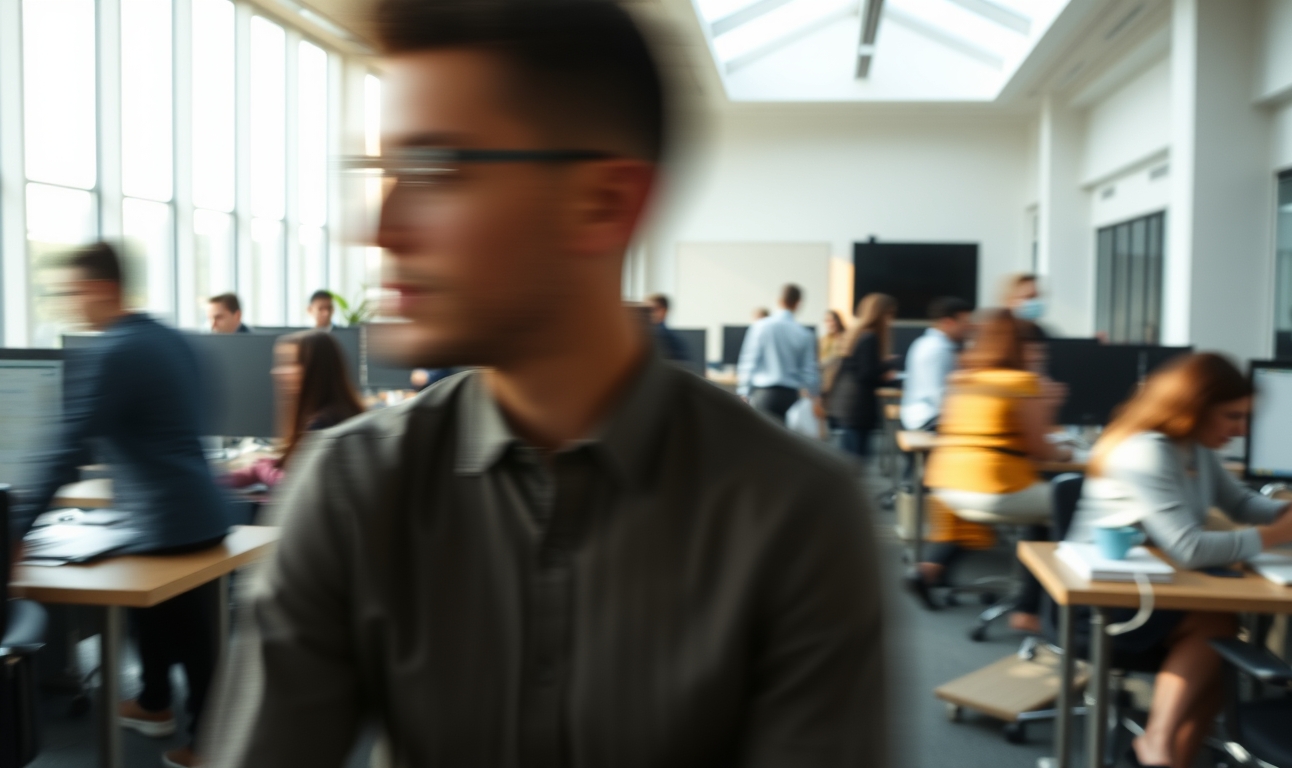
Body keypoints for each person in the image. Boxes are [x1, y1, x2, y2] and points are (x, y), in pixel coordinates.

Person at [202, 2, 885, 766]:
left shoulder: (794, 516)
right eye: (385, 172)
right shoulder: (354, 486)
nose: (382, 227)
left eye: (437, 169)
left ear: (601, 203)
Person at [13, 243, 232, 768]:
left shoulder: (114, 351)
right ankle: (155, 704)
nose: (70, 302)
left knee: (190, 640)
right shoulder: (166, 338)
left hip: (169, 520)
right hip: (192, 510)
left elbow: (68, 445)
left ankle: (209, 746)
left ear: (101, 289)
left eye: (74, 292)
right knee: (163, 625)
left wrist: (15, 527)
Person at [1068, 353, 1292, 768]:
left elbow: (1239, 503)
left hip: (1161, 592)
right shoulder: (1146, 451)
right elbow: (1187, 548)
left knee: (1222, 644)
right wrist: (1278, 535)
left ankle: (1160, 754)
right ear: (1194, 408)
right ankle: (1157, 748)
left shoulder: (1194, 447)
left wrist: (1287, 510)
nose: (1241, 430)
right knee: (1217, 628)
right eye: (1232, 417)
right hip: (1104, 601)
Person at [910, 310, 1072, 630]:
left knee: (1042, 506)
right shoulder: (1021, 382)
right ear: (1020, 346)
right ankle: (1032, 608)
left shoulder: (963, 379)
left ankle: (929, 569)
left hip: (947, 483)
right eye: (1033, 347)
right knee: (1066, 502)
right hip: (993, 488)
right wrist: (1067, 449)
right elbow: (1040, 449)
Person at [224, 331, 364, 491]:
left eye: (288, 363)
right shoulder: (333, 413)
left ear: (314, 369)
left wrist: (262, 469)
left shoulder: (323, 426)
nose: (276, 372)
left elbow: (296, 487)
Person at [736, 284, 823, 423]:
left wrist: (743, 391)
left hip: (763, 396)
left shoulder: (760, 327)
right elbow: (810, 372)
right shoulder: (805, 334)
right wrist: (815, 396)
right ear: (798, 303)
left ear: (779, 300)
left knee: (762, 441)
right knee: (786, 443)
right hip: (791, 399)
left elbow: (749, 362)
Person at [830, 294, 896, 461]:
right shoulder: (870, 338)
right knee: (856, 460)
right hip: (858, 407)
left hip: (847, 404)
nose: (891, 321)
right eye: (889, 315)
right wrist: (885, 369)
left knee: (848, 459)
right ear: (881, 314)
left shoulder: (856, 334)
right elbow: (866, 373)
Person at [900, 296, 972, 431]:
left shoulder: (927, 343)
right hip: (927, 419)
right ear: (948, 323)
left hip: (922, 417)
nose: (969, 327)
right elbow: (940, 396)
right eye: (965, 322)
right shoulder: (937, 349)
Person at [645, 292, 689, 363]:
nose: (646, 313)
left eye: (651, 309)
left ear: (663, 311)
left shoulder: (662, 336)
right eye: (644, 310)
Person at [817, 309, 847, 401]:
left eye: (831, 320)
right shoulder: (823, 340)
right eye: (827, 321)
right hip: (823, 380)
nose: (830, 324)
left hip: (839, 380)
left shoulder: (845, 338)